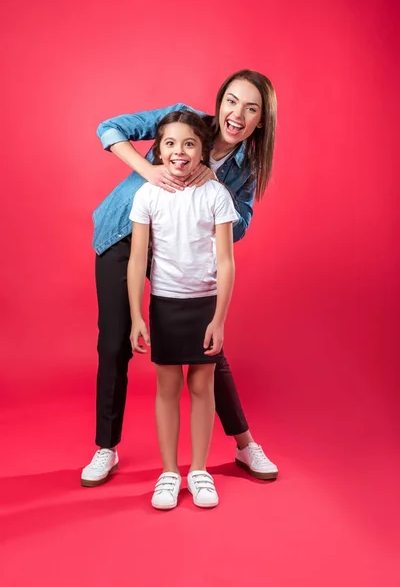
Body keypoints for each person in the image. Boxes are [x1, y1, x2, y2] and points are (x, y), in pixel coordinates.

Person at [81, 69, 279, 488]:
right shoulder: (184, 121)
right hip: (124, 234)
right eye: (232, 101)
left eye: (251, 109)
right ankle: (106, 447)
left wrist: (215, 190)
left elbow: (239, 224)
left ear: (261, 120)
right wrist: (148, 171)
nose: (237, 114)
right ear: (220, 101)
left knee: (209, 350)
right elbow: (109, 128)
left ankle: (244, 444)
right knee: (115, 339)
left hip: (180, 255)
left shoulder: (245, 166)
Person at [128, 111, 236, 509]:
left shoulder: (215, 194)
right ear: (158, 149)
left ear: (203, 150)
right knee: (168, 388)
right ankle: (170, 471)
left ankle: (200, 470)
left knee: (202, 386)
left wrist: (219, 318)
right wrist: (138, 315)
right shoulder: (147, 193)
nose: (179, 151)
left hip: (205, 303)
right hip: (165, 301)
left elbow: (225, 260)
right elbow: (138, 257)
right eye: (170, 143)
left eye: (189, 143)